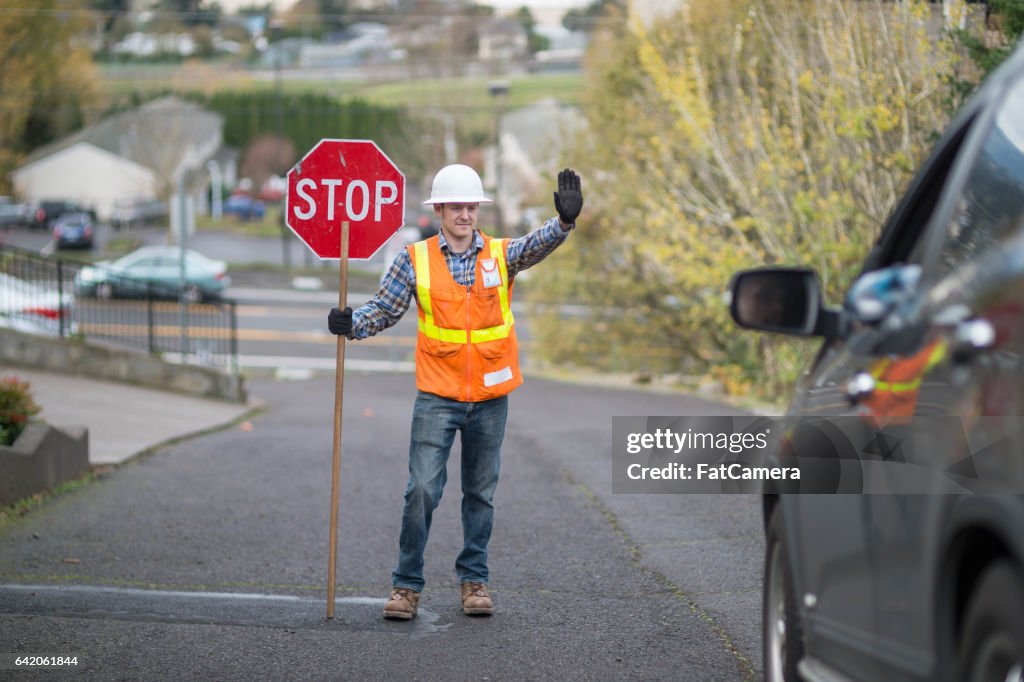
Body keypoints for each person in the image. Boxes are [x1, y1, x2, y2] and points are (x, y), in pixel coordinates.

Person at [328, 164, 583, 619]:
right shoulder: (415, 258)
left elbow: (534, 245)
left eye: (471, 206)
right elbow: (385, 309)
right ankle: (406, 586)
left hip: (489, 399)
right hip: (438, 397)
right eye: (457, 206)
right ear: (440, 209)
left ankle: (474, 582)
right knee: (421, 490)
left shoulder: (501, 255)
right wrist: (353, 324)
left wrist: (563, 223)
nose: (465, 214)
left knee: (480, 494)